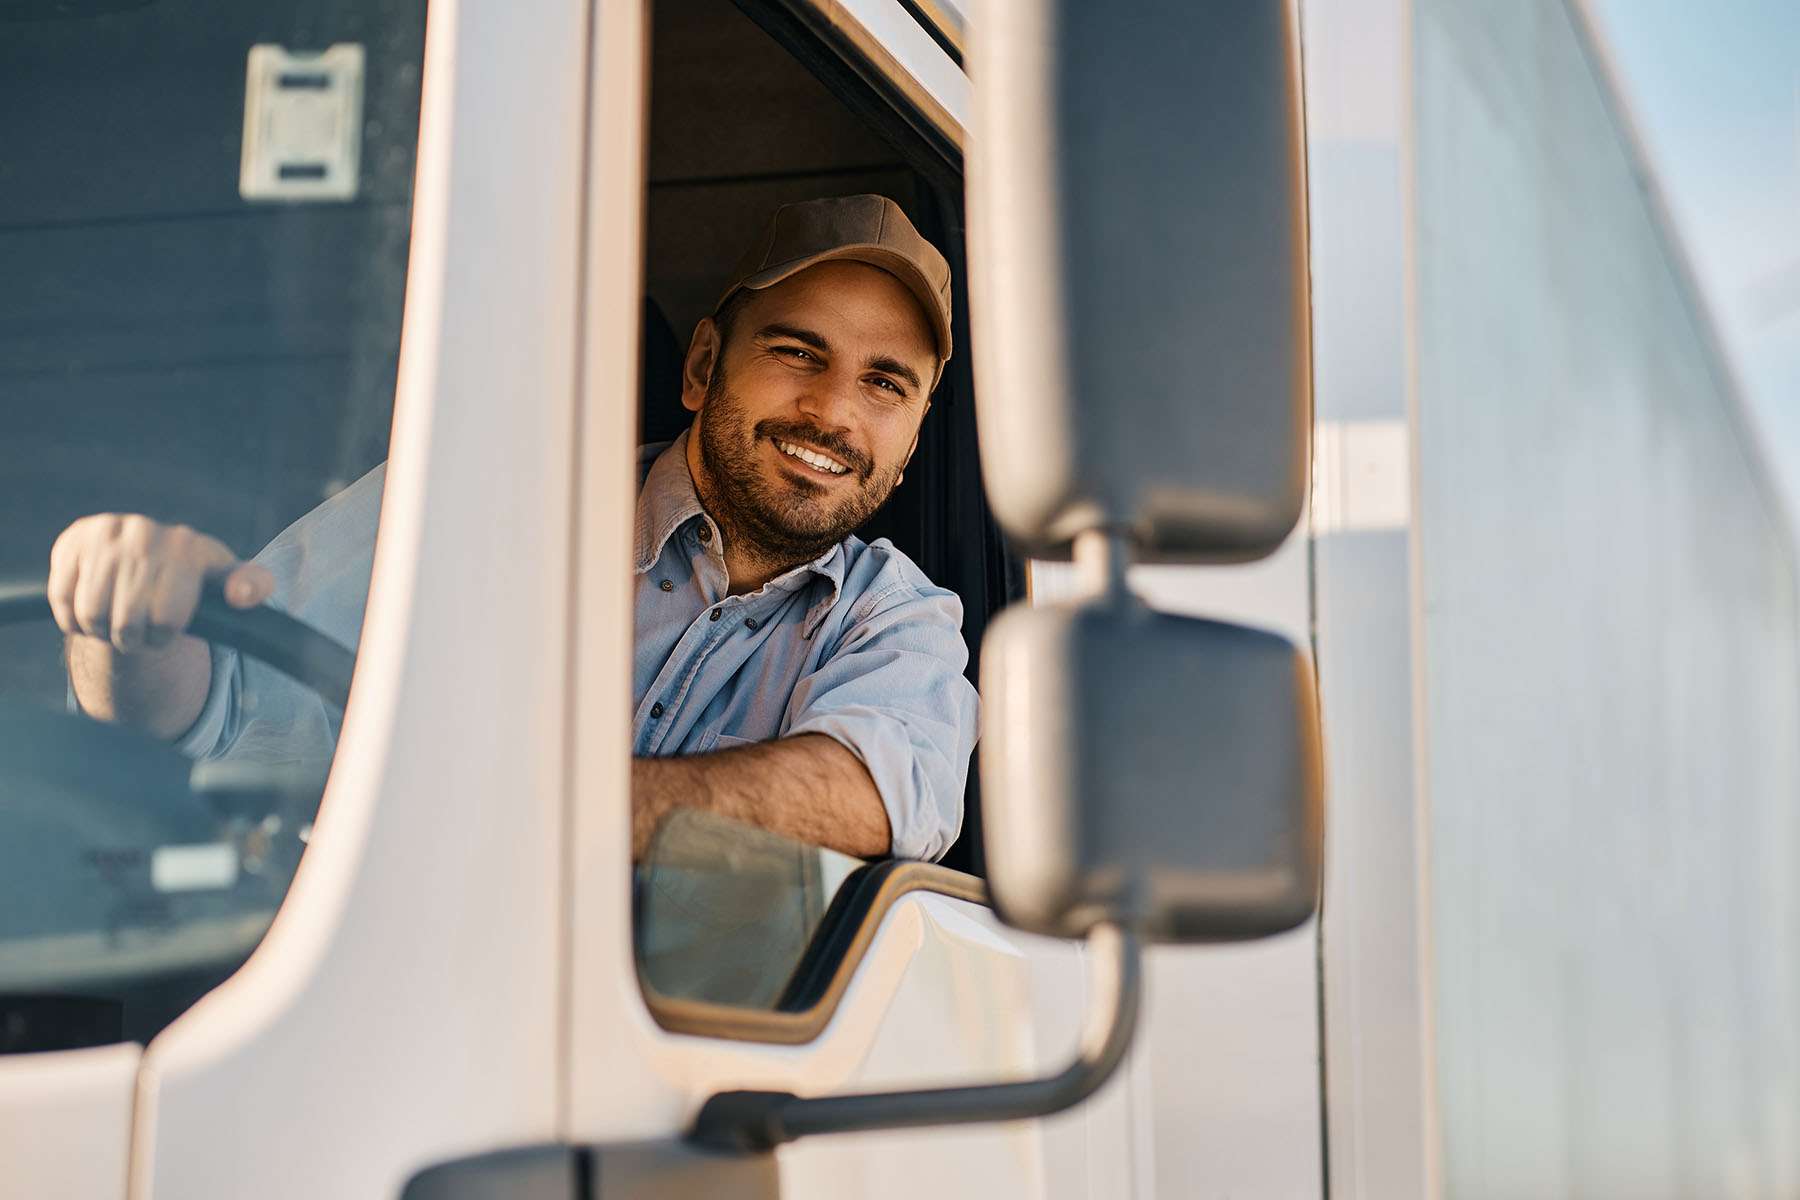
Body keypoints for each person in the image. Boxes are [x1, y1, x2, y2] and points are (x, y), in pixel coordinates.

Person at [50, 194, 978, 863]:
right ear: (701, 367)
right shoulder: (480, 498)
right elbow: (218, 705)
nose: (831, 413)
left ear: (908, 446)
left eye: (884, 383)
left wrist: (518, 817)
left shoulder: (898, 620)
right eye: (795, 351)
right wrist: (124, 623)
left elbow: (876, 793)